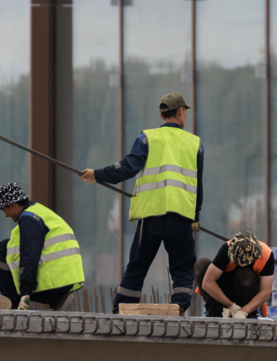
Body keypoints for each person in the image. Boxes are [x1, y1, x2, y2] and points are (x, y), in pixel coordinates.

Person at [80, 93, 203, 314]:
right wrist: (196, 216)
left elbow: (127, 167)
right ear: (182, 112)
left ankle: (121, 309)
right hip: (181, 216)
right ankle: (179, 307)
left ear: (161, 114)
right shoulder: (195, 145)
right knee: (182, 266)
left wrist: (97, 175)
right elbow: (198, 186)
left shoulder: (147, 138)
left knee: (138, 265)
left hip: (151, 216)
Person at [0, 183, 84, 311]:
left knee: (4, 247)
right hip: (64, 281)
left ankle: (10, 303)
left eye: (4, 210)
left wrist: (25, 293)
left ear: (12, 206)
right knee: (10, 246)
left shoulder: (29, 218)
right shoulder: (40, 211)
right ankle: (56, 298)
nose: (6, 215)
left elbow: (29, 255)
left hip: (53, 282)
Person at [194, 231, 273, 319]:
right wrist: (232, 306)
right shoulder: (227, 248)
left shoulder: (266, 254)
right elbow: (208, 282)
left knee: (244, 274)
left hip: (246, 294)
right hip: (222, 291)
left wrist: (245, 311)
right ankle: (213, 311)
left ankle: (250, 314)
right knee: (201, 265)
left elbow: (266, 291)